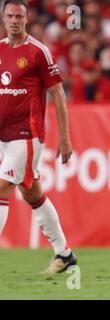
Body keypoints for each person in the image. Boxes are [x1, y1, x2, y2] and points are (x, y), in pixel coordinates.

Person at [0, 0, 76, 273]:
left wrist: (64, 137)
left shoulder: (38, 52)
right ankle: (64, 254)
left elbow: (57, 93)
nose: (14, 20)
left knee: (2, 187)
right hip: (3, 137)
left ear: (26, 18)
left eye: (19, 16)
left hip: (27, 134)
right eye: (10, 15)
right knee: (32, 194)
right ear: (4, 18)